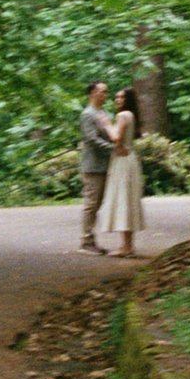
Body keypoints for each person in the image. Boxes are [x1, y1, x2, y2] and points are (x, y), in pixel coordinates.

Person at [95, 85, 146, 259]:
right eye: (116, 97)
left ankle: (126, 247)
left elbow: (116, 138)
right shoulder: (131, 115)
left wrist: (107, 124)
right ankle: (127, 246)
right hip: (129, 158)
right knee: (127, 199)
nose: (118, 100)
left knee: (123, 199)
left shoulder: (123, 115)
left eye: (122, 97)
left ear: (128, 100)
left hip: (123, 161)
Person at [75, 81, 115, 255]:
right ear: (92, 93)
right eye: (102, 91)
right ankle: (86, 241)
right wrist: (114, 149)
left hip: (104, 165)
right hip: (92, 166)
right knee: (91, 204)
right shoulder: (88, 114)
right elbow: (91, 139)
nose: (105, 95)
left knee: (97, 203)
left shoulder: (103, 113)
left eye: (106, 92)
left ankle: (90, 239)